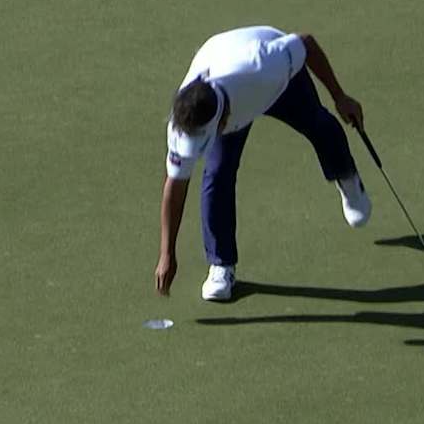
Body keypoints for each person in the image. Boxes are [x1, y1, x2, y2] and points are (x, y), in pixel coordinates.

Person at [155, 25, 371, 301]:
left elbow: (306, 42)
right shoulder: (183, 122)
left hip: (276, 81)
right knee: (218, 171)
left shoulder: (264, 65)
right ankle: (221, 265)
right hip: (225, 66)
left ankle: (347, 178)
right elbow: (175, 185)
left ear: (223, 120)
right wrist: (167, 254)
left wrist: (340, 97)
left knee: (318, 123)